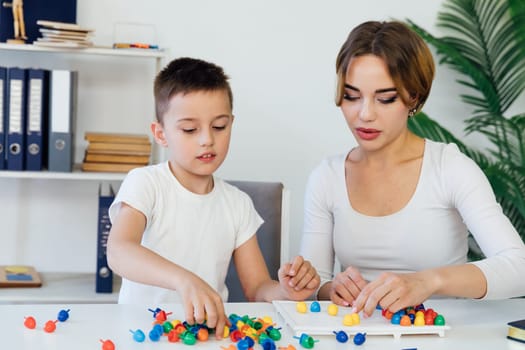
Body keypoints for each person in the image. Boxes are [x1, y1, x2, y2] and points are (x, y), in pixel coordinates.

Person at [299, 20, 525, 318]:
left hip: (446, 337)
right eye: (352, 96)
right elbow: (316, 283)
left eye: (386, 98)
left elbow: (518, 266)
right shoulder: (326, 177)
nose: (364, 114)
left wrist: (429, 281)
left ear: (414, 97)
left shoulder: (450, 168)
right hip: (357, 335)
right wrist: (331, 288)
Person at [107, 57, 320, 338]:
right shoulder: (145, 183)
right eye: (189, 129)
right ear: (161, 133)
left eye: (219, 126)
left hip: (206, 337)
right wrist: (184, 280)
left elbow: (256, 287)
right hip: (141, 334)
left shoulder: (238, 204)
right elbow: (119, 251)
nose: (207, 139)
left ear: (231, 123)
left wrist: (285, 290)